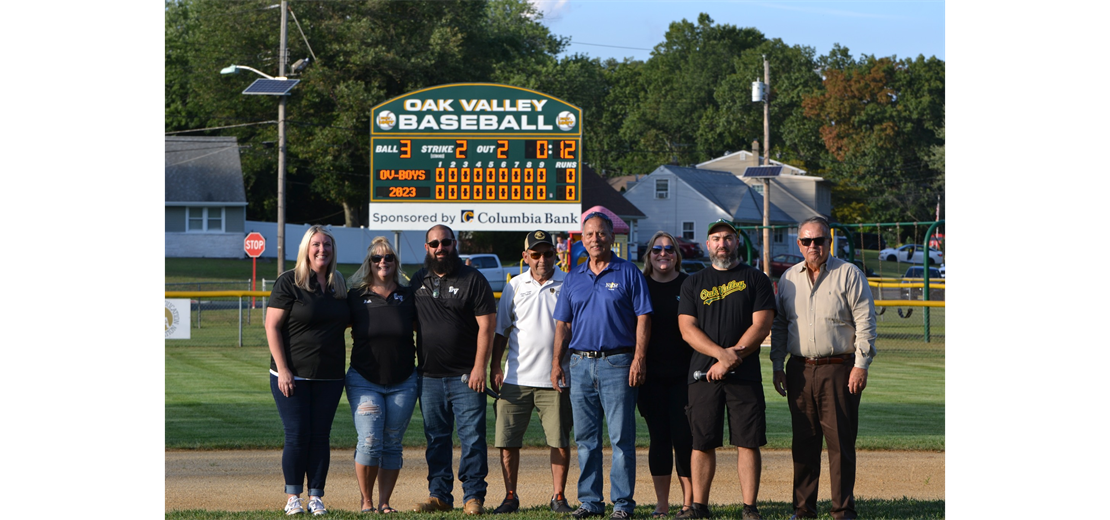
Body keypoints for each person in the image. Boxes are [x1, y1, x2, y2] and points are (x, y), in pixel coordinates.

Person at [770, 217, 877, 520]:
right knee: (803, 442)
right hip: (799, 370)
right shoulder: (789, 278)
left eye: (819, 240)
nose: (813, 246)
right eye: (807, 241)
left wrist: (860, 365)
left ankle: (842, 510)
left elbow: (866, 323)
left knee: (840, 443)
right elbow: (779, 325)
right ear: (799, 244)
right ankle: (803, 509)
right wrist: (778, 365)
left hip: (838, 369)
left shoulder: (848, 274)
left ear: (829, 242)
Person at [552, 212, 652, 520]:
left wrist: (639, 358)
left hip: (618, 364)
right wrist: (557, 362)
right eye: (589, 234)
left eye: (600, 233)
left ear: (611, 237)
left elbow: (644, 317)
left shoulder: (628, 272)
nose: (595, 239)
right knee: (586, 439)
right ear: (582, 240)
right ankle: (590, 502)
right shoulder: (573, 277)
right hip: (580, 364)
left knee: (621, 439)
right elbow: (563, 325)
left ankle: (622, 505)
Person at [677, 219, 776, 520]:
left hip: (744, 376)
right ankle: (699, 507)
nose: (722, 243)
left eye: (728, 238)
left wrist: (731, 360)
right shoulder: (693, 282)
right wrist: (721, 356)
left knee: (748, 441)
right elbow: (687, 329)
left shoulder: (755, 278)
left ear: (737, 242)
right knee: (702, 441)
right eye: (716, 238)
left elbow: (761, 325)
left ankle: (750, 507)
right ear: (708, 244)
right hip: (703, 375)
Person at [410, 225, 497, 515]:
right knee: (436, 438)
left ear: (454, 243)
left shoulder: (473, 278)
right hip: (429, 376)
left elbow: (487, 326)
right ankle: (439, 495)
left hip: (465, 376)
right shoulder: (418, 280)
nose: (440, 247)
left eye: (445, 242)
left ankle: (473, 496)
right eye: (434, 243)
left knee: (472, 437)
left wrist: (479, 369)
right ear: (427, 248)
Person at [488, 230, 575, 515]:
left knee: (559, 441)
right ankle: (510, 495)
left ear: (556, 255)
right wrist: (494, 365)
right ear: (525, 256)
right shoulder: (514, 286)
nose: (541, 260)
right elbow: (501, 330)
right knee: (507, 442)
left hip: (557, 378)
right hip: (516, 378)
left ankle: (558, 496)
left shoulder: (569, 281)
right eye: (535, 254)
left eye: (547, 253)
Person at [265, 225, 349, 516]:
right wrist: (284, 369)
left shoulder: (339, 284)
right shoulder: (290, 281)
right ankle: (293, 498)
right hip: (292, 375)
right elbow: (272, 326)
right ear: (306, 248)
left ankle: (316, 497)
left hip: (330, 376)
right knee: (298, 434)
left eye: (327, 244)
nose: (322, 249)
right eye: (316, 244)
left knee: (320, 436)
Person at [346, 237, 419, 514]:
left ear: (395, 262)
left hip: (403, 381)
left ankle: (385, 502)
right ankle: (366, 502)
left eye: (388, 257)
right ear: (369, 262)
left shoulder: (409, 295)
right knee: (369, 441)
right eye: (377, 258)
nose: (383, 262)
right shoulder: (356, 296)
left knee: (391, 443)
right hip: (364, 379)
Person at [638, 231, 694, 518]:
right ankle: (662, 504)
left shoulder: (689, 284)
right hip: (651, 377)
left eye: (669, 249)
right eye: (657, 249)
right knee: (659, 438)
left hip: (684, 376)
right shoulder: (640, 285)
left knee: (684, 438)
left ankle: (688, 504)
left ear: (677, 255)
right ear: (649, 254)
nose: (663, 254)